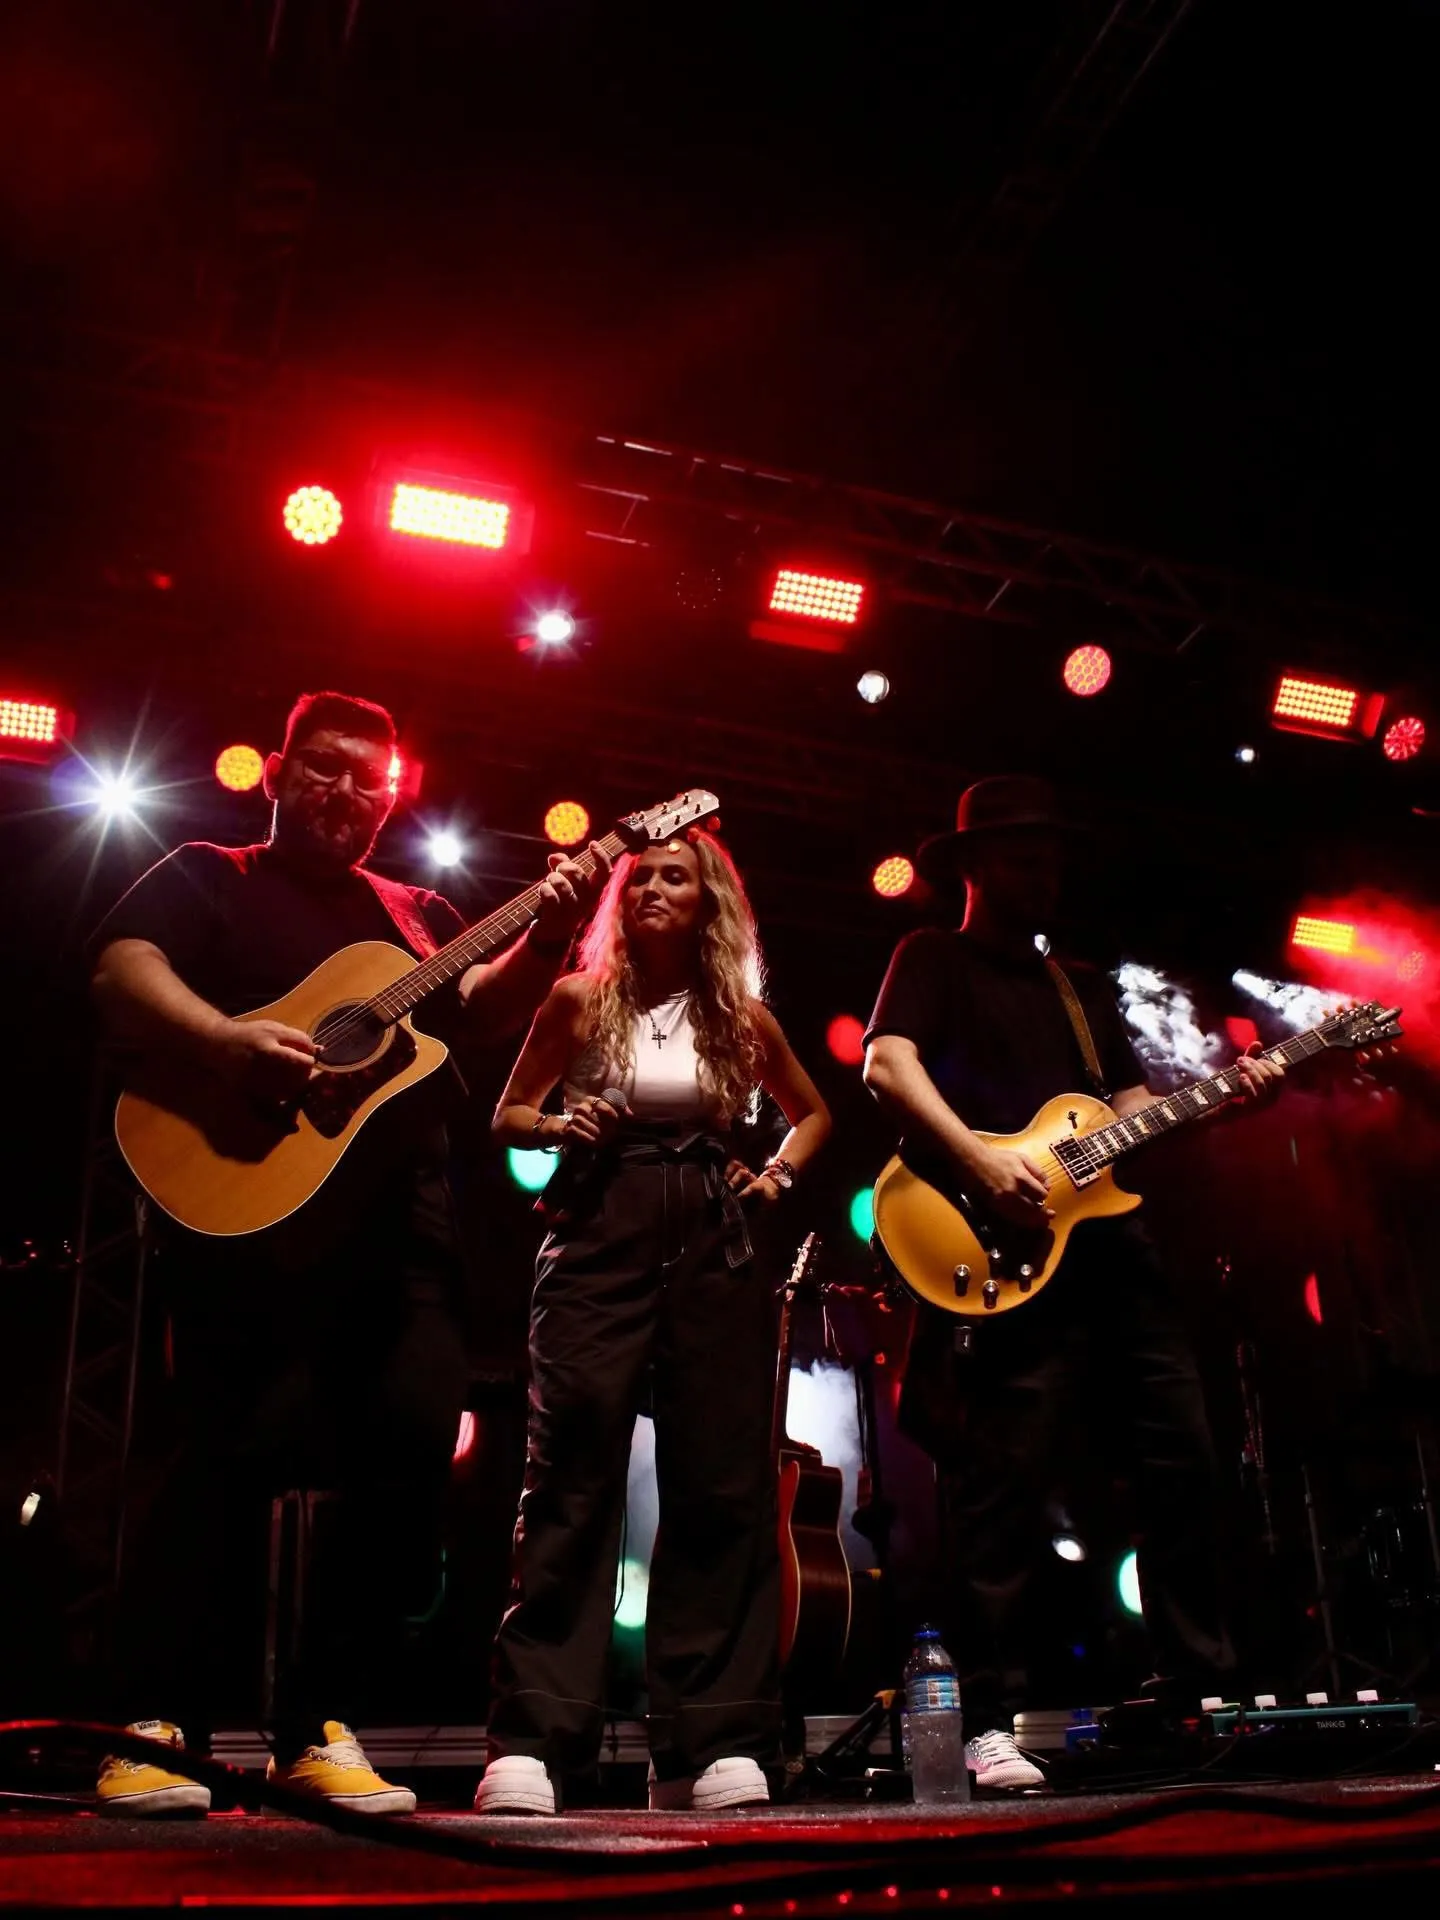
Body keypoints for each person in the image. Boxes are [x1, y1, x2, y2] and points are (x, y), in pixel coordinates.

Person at [86, 688, 611, 1816]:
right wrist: (227, 1042)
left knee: (410, 1457)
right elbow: (121, 968)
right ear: (277, 773)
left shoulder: (418, 913)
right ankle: (155, 1722)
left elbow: (482, 1010)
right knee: (220, 1458)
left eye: (369, 778)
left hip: (400, 1233)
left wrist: (549, 930)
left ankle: (317, 1728)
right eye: (323, 767)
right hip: (247, 1215)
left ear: (391, 798)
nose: (345, 791)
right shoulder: (210, 874)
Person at [861, 774, 1284, 1792]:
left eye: (1051, 857)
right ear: (972, 867)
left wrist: (1223, 1100)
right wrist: (980, 1164)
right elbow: (885, 1068)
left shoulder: (1080, 986)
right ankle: (985, 1717)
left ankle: (1195, 1691)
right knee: (1002, 1482)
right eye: (1022, 856)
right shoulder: (932, 957)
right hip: (992, 1244)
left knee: (1183, 1455)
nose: (1043, 873)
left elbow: (1128, 1113)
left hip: (1109, 1251)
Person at [473, 825, 832, 1815]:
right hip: (599, 1217)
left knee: (720, 1481)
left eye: (677, 878)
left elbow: (814, 1113)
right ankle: (536, 1741)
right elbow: (507, 1115)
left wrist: (777, 1176)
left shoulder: (740, 1017)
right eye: (640, 880)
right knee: (570, 1469)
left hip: (713, 1228)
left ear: (712, 901)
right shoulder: (577, 999)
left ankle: (709, 1744)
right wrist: (558, 1123)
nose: (654, 892)